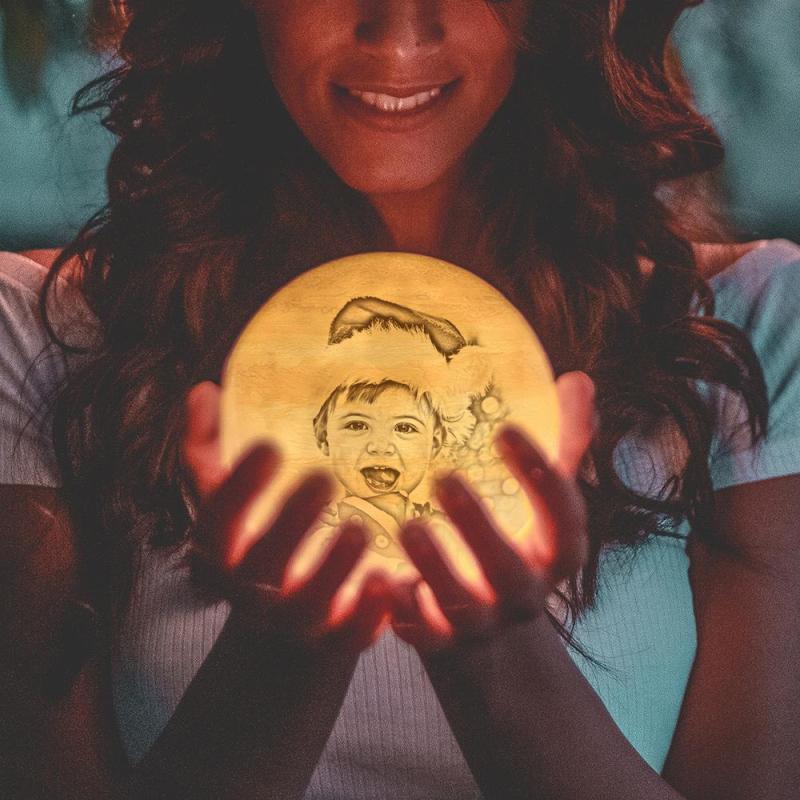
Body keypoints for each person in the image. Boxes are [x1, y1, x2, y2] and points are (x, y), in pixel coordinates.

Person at [1, 2, 799, 799]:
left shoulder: (748, 334)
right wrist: (283, 651)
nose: (398, 31)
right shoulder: (44, 340)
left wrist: (495, 649)